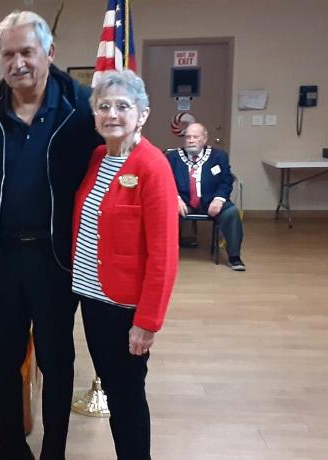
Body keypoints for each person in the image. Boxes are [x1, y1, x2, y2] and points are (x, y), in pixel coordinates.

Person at [0, 10, 102, 460]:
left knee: (57, 362)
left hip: (58, 259)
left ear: (49, 53)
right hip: (0, 259)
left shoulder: (83, 109)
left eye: (27, 52)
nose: (18, 63)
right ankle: (11, 448)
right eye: (8, 54)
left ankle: (53, 450)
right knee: (4, 358)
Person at [71, 69, 178, 460]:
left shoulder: (152, 166)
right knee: (116, 390)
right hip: (93, 299)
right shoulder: (99, 157)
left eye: (122, 106)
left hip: (125, 308)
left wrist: (147, 322)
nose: (112, 114)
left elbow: (164, 255)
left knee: (127, 397)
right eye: (104, 106)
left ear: (142, 113)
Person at [166, 123, 246, 271]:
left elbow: (226, 180)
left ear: (204, 139)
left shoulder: (219, 156)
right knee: (164, 212)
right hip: (183, 200)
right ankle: (163, 255)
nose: (190, 140)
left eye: (195, 137)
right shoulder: (173, 157)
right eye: (188, 137)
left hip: (212, 199)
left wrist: (219, 199)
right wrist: (175, 198)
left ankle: (234, 257)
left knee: (231, 213)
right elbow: (165, 180)